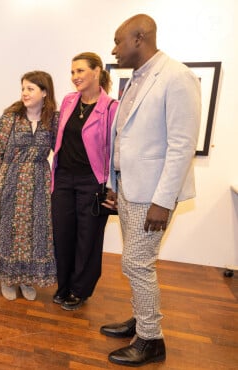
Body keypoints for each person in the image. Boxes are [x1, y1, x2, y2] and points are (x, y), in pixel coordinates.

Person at [100, 14, 201, 367]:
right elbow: (125, 138)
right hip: (130, 188)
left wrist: (163, 200)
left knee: (136, 264)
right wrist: (116, 183)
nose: (114, 49)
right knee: (134, 262)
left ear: (140, 38)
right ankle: (139, 320)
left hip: (154, 195)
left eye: (118, 41)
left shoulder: (177, 77)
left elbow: (181, 145)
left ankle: (151, 339)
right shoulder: (136, 80)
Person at [0, 71, 58, 301]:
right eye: (23, 88)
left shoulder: (53, 119)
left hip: (38, 184)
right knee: (7, 230)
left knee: (34, 232)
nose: (25, 93)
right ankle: (8, 278)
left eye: (31, 88)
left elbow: (62, 148)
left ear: (44, 92)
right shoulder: (11, 117)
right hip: (10, 181)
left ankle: (26, 279)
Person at [51, 52, 118, 311]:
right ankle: (64, 285)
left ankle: (80, 290)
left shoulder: (111, 107)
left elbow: (115, 150)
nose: (75, 77)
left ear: (97, 71)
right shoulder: (69, 101)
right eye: (72, 72)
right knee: (63, 234)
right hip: (64, 178)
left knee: (88, 237)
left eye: (80, 71)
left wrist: (112, 186)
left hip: (93, 181)